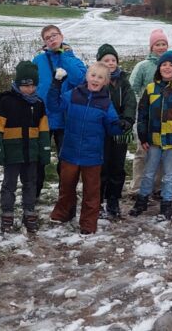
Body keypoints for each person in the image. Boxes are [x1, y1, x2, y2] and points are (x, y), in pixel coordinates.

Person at [48, 63, 123, 234]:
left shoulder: (105, 103)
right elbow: (54, 106)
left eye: (100, 77)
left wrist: (120, 125)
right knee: (66, 186)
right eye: (93, 75)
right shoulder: (74, 94)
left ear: (105, 82)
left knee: (91, 191)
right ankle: (62, 213)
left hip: (92, 155)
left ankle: (88, 224)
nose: (96, 79)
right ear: (87, 76)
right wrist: (56, 85)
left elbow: (112, 127)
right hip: (70, 151)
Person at [130, 50, 172, 221]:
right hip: (154, 140)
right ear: (159, 68)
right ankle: (141, 201)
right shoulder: (150, 89)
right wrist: (143, 135)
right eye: (164, 64)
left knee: (170, 175)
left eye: (171, 65)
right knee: (149, 172)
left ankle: (166, 204)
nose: (167, 67)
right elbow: (142, 114)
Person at [0, 61, 51, 234]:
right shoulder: (6, 101)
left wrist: (44, 151)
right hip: (12, 153)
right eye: (24, 85)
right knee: (9, 184)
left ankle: (29, 211)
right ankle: (7, 214)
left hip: (31, 153)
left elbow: (44, 130)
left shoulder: (39, 104)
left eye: (32, 85)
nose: (28, 89)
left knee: (30, 182)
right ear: (17, 84)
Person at [33, 25, 88, 199]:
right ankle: (33, 195)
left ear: (62, 36)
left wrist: (65, 56)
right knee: (38, 159)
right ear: (44, 43)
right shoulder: (38, 61)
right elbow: (30, 85)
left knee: (66, 161)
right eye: (47, 38)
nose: (51, 39)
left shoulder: (73, 60)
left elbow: (80, 79)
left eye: (54, 35)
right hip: (44, 117)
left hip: (66, 118)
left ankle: (65, 195)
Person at [96, 44, 136, 219]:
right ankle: (97, 201)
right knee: (101, 167)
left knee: (117, 166)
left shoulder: (123, 82)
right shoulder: (97, 81)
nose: (110, 63)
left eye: (113, 60)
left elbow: (130, 102)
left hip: (120, 129)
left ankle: (113, 199)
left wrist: (127, 119)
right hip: (101, 130)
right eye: (106, 60)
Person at [128, 29, 169, 198]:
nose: (161, 47)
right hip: (146, 118)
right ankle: (137, 186)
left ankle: (157, 187)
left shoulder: (170, 66)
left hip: (166, 118)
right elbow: (133, 89)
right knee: (142, 153)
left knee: (161, 153)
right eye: (157, 44)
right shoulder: (143, 66)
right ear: (151, 47)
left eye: (163, 44)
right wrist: (141, 107)